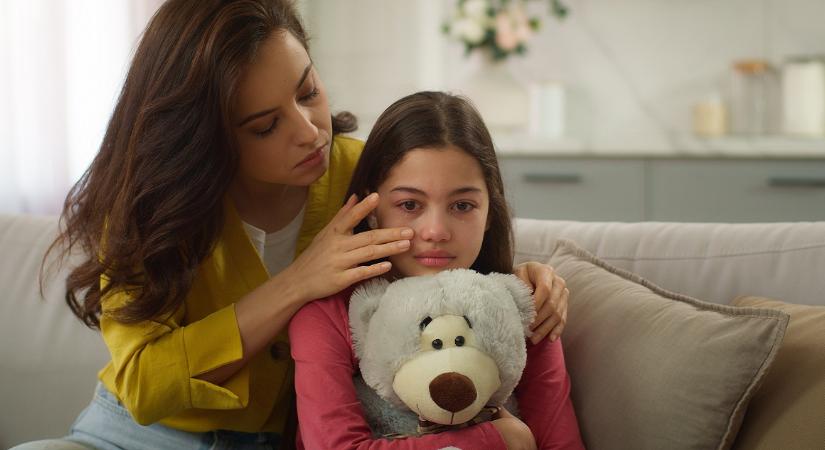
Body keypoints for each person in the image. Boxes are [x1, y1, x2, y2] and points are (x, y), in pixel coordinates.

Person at [16, 1, 569, 449]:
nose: (309, 132)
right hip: (131, 437)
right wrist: (299, 282)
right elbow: (141, 386)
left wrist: (527, 279)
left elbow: (447, 235)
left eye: (309, 92)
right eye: (264, 126)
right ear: (203, 136)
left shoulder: (363, 175)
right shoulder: (146, 207)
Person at [289, 91, 584, 450]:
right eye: (410, 204)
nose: (436, 231)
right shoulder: (330, 315)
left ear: (490, 211)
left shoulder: (524, 308)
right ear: (372, 208)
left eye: (462, 205)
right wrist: (496, 439)